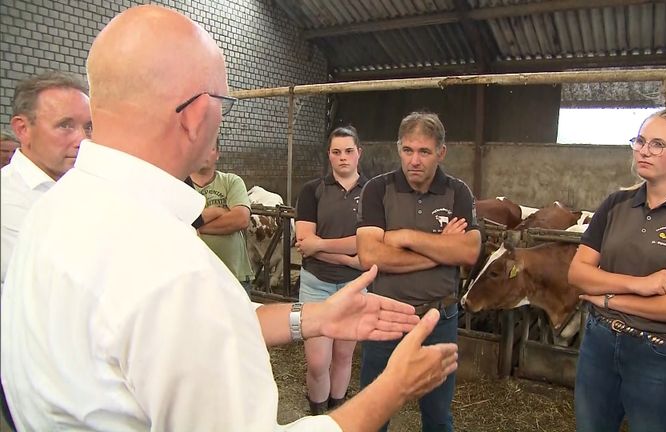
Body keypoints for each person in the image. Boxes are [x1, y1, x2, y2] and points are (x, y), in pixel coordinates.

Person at [0, 6, 458, 431]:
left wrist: (312, 317)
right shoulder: (173, 271)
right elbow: (190, 313)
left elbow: (193, 327)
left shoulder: (52, 209)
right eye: (224, 101)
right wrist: (391, 389)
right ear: (197, 115)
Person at [568, 108, 666, 432]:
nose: (643, 150)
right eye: (639, 141)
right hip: (600, 343)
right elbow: (578, 274)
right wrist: (640, 285)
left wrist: (610, 300)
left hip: (662, 353)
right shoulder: (615, 204)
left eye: (657, 144)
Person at [356, 111, 481, 431]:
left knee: (438, 414)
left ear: (441, 152)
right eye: (408, 150)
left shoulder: (458, 192)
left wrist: (407, 238)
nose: (415, 160)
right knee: (374, 408)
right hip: (385, 317)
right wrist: (440, 250)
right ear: (399, 149)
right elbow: (370, 254)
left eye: (424, 151)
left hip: (438, 317)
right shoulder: (376, 190)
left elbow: (468, 251)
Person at [295, 125, 368, 414]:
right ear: (329, 156)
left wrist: (321, 246)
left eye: (349, 151)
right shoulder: (312, 190)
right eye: (336, 152)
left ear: (359, 153)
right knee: (316, 361)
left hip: (353, 285)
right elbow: (304, 242)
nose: (343, 157)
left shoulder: (373, 191)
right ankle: (316, 415)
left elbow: (367, 243)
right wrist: (351, 258)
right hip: (317, 283)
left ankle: (337, 414)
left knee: (343, 354)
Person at [1, 71, 91, 286]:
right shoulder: (6, 200)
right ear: (22, 129)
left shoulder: (93, 189)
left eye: (88, 127)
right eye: (65, 125)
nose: (83, 140)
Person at [189, 137, 254, 290]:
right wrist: (217, 211)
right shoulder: (178, 184)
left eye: (210, 148)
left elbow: (241, 219)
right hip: (193, 277)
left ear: (218, 153)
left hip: (234, 276)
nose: (204, 152)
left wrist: (192, 225)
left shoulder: (231, 181)